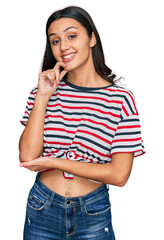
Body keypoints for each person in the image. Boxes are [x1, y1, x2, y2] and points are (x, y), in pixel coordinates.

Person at [19, 6, 145, 240]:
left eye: (72, 36)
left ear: (92, 38)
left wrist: (54, 162)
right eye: (55, 41)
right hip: (41, 208)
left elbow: (119, 175)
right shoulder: (42, 92)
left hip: (93, 212)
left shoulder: (120, 99)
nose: (63, 46)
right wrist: (43, 96)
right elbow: (27, 157)